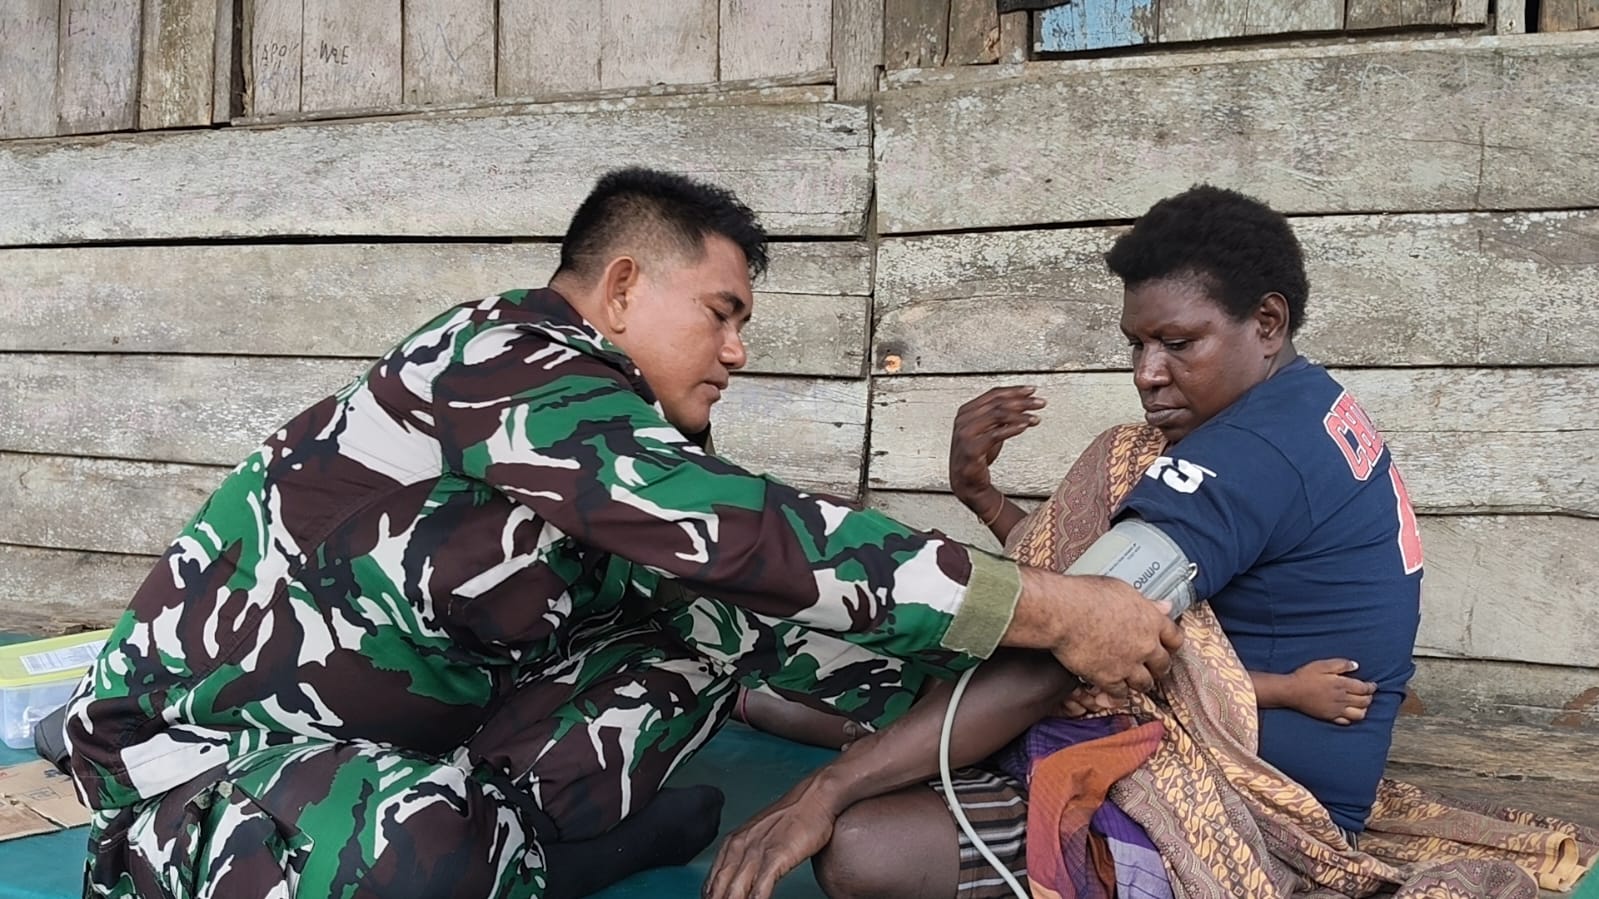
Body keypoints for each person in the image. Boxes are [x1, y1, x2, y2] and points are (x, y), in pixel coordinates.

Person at [60, 167, 1183, 899]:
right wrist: (1052, 606)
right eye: (722, 313)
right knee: (407, 849)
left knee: (702, 634)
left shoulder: (614, 450)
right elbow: (733, 525)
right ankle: (545, 857)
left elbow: (768, 601)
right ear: (623, 286)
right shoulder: (501, 360)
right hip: (200, 759)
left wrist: (1017, 694)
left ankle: (520, 842)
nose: (738, 350)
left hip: (408, 733)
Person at [706, 185, 1427, 899]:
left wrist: (825, 791)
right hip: (1219, 742)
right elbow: (1087, 584)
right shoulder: (1303, 407)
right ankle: (775, 708)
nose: (1147, 373)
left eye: (1178, 344)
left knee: (866, 848)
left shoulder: (1246, 453)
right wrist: (980, 495)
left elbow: (1080, 628)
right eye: (1137, 344)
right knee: (932, 672)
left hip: (1257, 806)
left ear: (1267, 322)